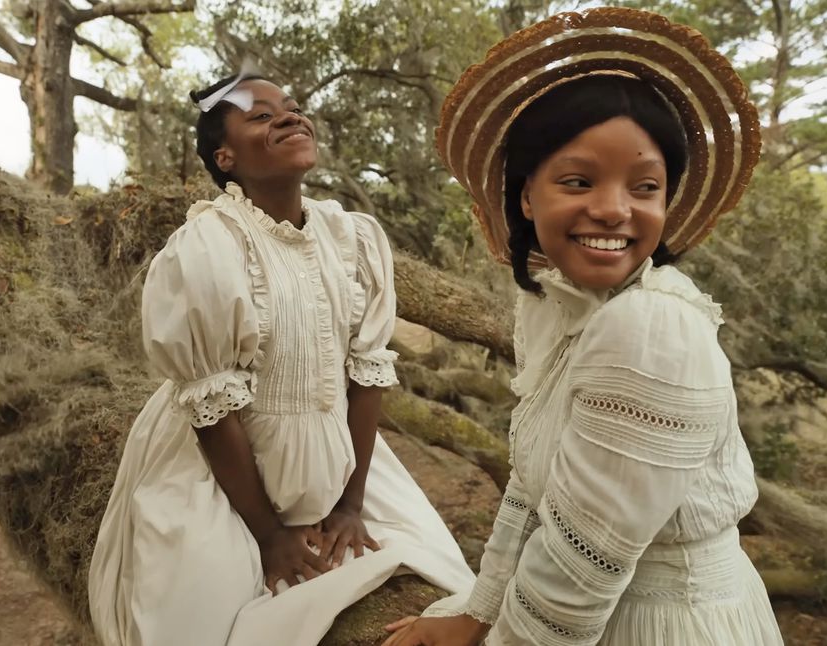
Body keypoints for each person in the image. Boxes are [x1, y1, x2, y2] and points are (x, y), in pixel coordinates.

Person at [382, 7, 782, 645]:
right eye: (578, 179)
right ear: (526, 195)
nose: (613, 208)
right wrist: (480, 609)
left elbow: (582, 570)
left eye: (644, 186)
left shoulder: (651, 327)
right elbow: (536, 487)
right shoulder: (558, 307)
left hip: (658, 624)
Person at [87, 69, 473, 646]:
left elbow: (365, 374)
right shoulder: (208, 247)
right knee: (194, 622)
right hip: (224, 471)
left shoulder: (352, 238)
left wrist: (348, 502)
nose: (290, 117)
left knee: (446, 580)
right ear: (225, 156)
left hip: (339, 458)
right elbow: (213, 410)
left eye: (292, 108)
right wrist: (269, 535)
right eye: (261, 116)